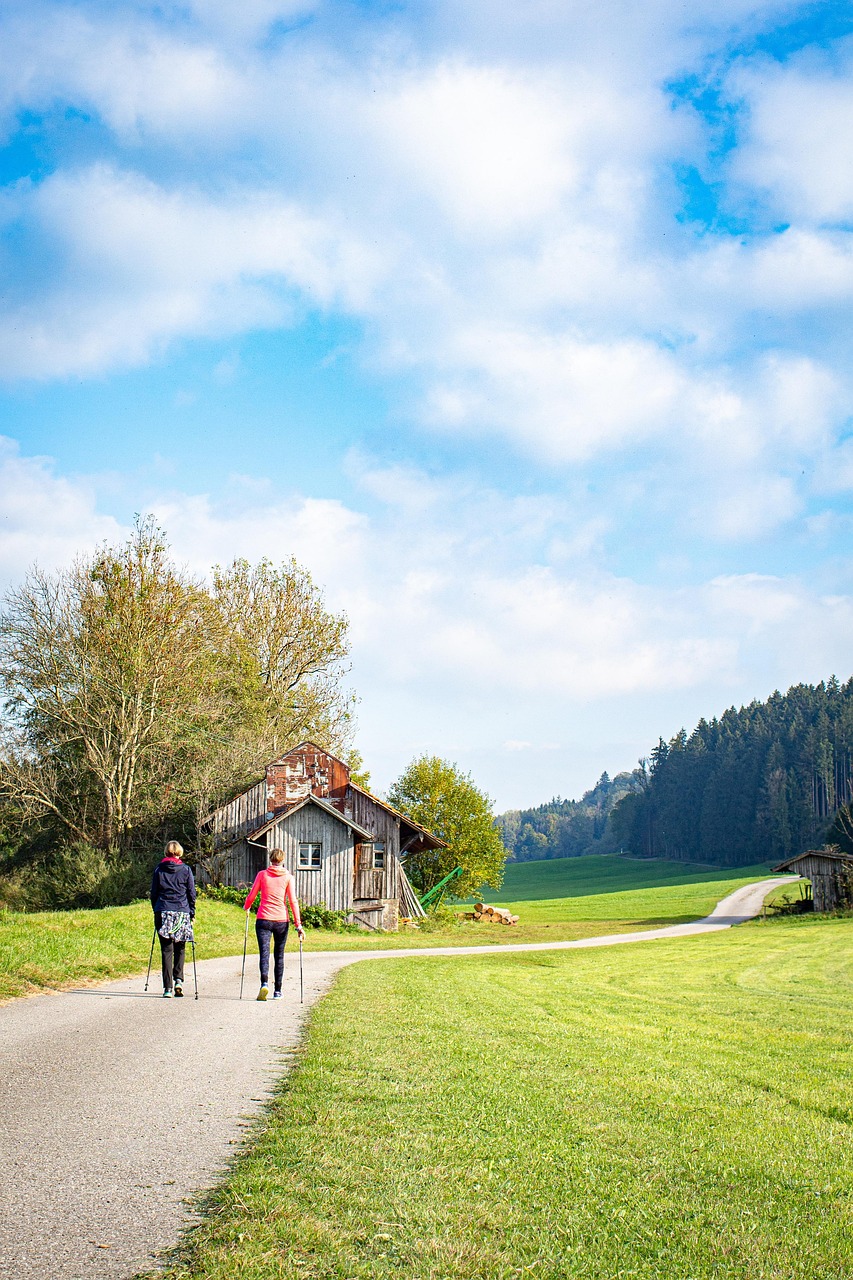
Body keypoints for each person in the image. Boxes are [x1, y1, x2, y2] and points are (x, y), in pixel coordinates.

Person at [243, 848, 304, 1001]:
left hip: (264, 918)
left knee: (264, 953)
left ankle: (264, 984)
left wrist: (246, 906)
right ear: (282, 860)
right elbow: (293, 901)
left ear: (270, 859)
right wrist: (298, 925)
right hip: (281, 921)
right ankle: (278, 990)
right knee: (279, 955)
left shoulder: (262, 875)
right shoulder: (288, 877)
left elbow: (252, 894)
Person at [150, 840, 196, 999]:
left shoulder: (159, 870)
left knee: (166, 950)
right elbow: (191, 893)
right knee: (180, 947)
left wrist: (155, 908)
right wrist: (192, 912)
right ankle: (178, 980)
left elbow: (153, 892)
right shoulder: (186, 870)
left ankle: (167, 988)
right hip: (181, 912)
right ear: (180, 853)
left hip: (163, 911)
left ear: (166, 852)